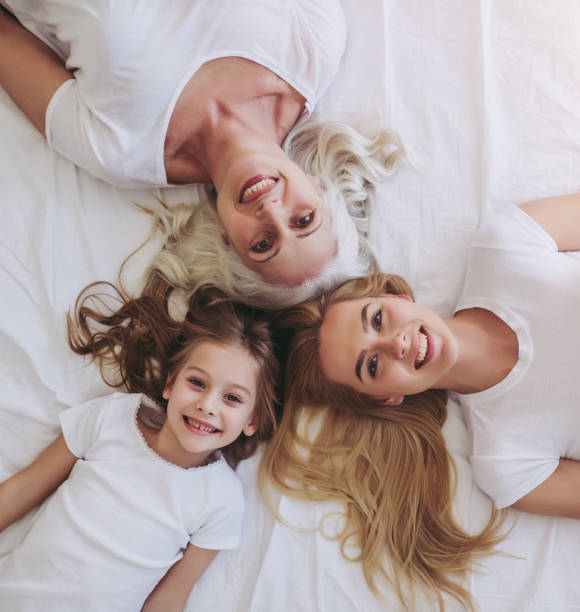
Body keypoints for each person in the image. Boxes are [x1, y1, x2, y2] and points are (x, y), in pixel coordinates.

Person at [263, 193, 580, 607]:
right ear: (387, 398)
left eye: (376, 319)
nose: (395, 342)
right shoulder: (506, 464)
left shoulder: (506, 246)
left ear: (398, 298)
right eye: (372, 366)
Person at [0, 2, 404, 302]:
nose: (272, 212)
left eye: (263, 244)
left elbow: (5, 39)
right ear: (320, 188)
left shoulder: (119, 152)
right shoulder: (315, 45)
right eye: (303, 219)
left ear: (227, 240)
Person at [0, 285, 279, 611]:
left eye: (232, 398)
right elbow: (21, 490)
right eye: (197, 383)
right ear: (170, 384)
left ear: (252, 420)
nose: (207, 405)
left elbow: (169, 598)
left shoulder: (221, 500)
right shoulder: (111, 418)